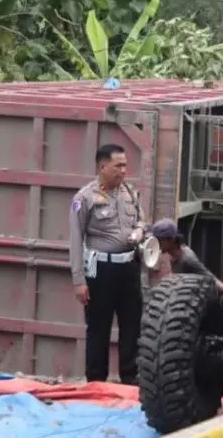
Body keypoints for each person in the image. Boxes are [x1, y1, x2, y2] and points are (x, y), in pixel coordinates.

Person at [69, 143, 146, 384]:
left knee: (132, 327)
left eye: (125, 165)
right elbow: (75, 239)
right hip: (101, 271)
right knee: (98, 330)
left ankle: (130, 381)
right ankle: (96, 384)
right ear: (103, 166)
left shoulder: (129, 192)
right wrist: (78, 281)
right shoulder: (85, 197)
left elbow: (142, 220)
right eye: (118, 166)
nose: (123, 170)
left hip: (129, 268)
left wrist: (141, 231)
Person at [148, 219, 223, 300]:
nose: (157, 244)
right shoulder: (173, 255)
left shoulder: (188, 259)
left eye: (159, 240)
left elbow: (213, 281)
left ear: (171, 240)